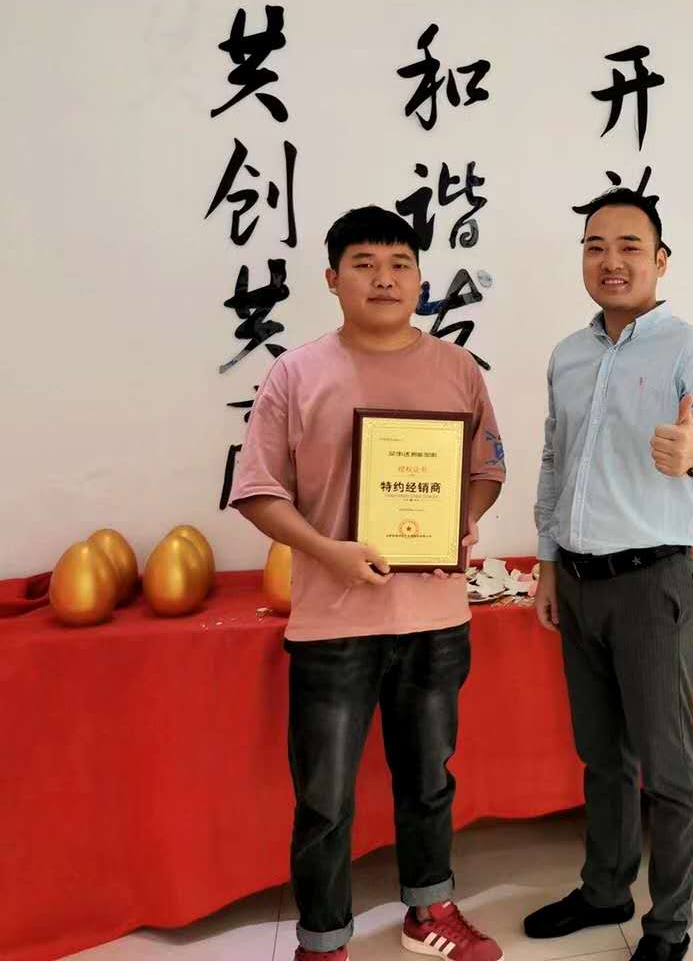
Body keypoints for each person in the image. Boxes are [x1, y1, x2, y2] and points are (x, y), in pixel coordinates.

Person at [230, 206, 506, 961]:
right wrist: (328, 551)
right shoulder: (295, 373)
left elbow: (486, 470)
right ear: (332, 278)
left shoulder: (458, 369)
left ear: (419, 279)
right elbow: (257, 491)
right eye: (364, 264)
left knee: (430, 779)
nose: (385, 278)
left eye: (400, 263)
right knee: (324, 798)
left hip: (435, 617)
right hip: (334, 621)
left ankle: (429, 912)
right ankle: (322, 941)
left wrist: (463, 519)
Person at [524, 188, 693, 961]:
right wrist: (548, 564)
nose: (611, 261)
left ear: (660, 260)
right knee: (601, 756)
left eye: (629, 246)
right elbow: (554, 461)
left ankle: (669, 925)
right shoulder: (569, 355)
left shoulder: (691, 351)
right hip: (578, 581)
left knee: (668, 766)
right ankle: (605, 890)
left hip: (654, 585)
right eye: (596, 246)